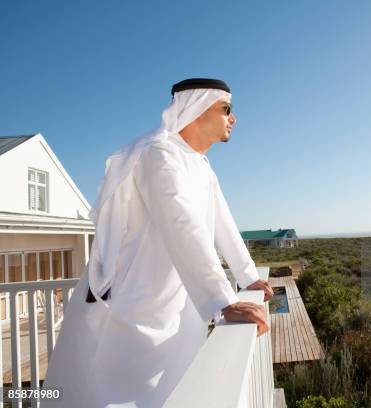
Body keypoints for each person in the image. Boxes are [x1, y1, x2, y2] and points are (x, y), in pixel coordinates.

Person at [41, 78, 273, 408]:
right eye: (226, 109)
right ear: (197, 110)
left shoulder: (202, 166)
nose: (233, 118)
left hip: (172, 305)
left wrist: (247, 276)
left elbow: (224, 224)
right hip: (131, 304)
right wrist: (223, 300)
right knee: (102, 392)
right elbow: (182, 224)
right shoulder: (157, 154)